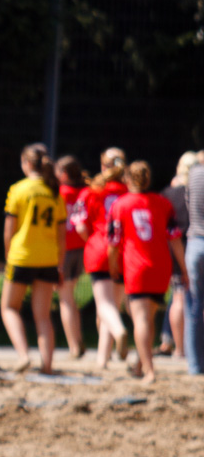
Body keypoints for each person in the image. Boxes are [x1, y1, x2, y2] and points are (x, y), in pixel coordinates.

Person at [109, 161, 189, 384]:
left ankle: (149, 371)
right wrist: (184, 269)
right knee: (148, 318)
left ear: (127, 179)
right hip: (160, 267)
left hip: (136, 268)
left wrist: (113, 266)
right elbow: (175, 239)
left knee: (141, 319)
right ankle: (140, 364)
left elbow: (113, 242)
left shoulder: (121, 204)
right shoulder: (162, 203)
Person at [0, 144, 66, 374]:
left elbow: (9, 230)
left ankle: (23, 355)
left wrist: (8, 256)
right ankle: (47, 365)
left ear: (27, 164)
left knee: (9, 307)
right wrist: (60, 265)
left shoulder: (19, 189)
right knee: (43, 315)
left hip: (22, 256)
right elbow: (61, 235)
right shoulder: (54, 191)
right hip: (48, 258)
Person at [81, 148, 130, 368]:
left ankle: (119, 332)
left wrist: (91, 240)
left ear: (103, 165)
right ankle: (102, 359)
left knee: (104, 306)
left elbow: (80, 225)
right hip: (123, 252)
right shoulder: (129, 191)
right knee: (113, 307)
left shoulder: (93, 191)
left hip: (100, 249)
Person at [158, 152, 194, 357]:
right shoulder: (197, 191)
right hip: (195, 244)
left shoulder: (168, 194)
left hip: (174, 249)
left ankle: (179, 348)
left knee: (178, 297)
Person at [54, 155, 90, 358]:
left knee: (65, 299)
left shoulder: (59, 193)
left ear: (64, 174)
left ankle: (74, 346)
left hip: (64, 249)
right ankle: (78, 339)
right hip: (81, 247)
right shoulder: (84, 192)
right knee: (70, 296)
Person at [186, 150, 204, 376]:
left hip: (195, 242)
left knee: (194, 306)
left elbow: (188, 201)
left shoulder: (194, 174)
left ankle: (194, 364)